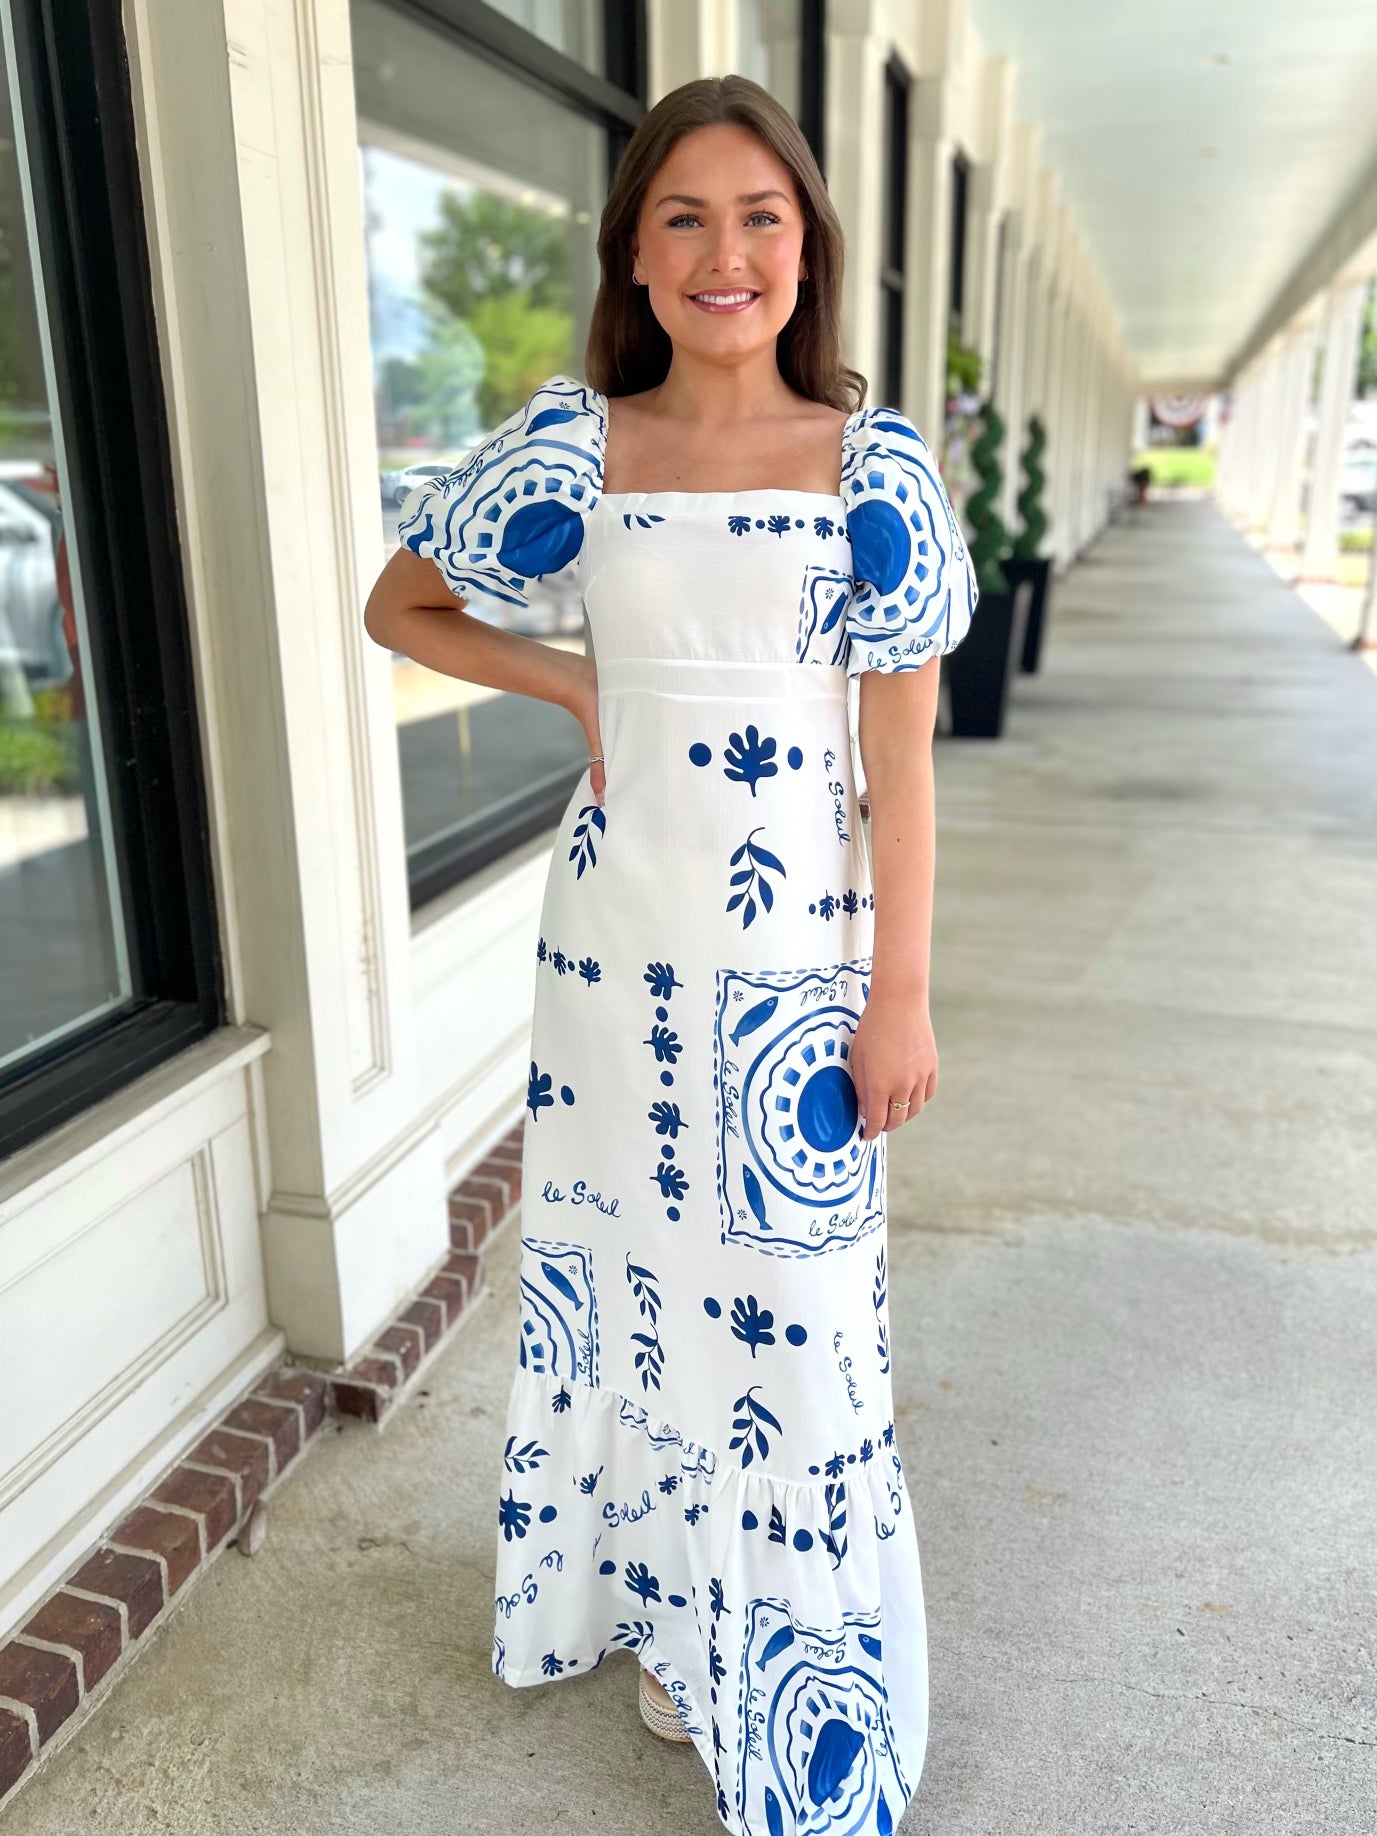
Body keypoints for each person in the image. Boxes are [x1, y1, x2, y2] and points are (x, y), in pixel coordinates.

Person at [364, 72, 978, 1836]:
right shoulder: (580, 442)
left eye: (760, 217)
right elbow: (399, 604)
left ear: (808, 248)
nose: (725, 254)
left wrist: (902, 992)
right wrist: (568, 677)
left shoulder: (873, 468)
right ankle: (655, 1609)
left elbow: (903, 754)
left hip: (799, 961)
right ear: (636, 251)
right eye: (685, 218)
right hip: (612, 954)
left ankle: (788, 1666)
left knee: (791, 1317)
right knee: (630, 1282)